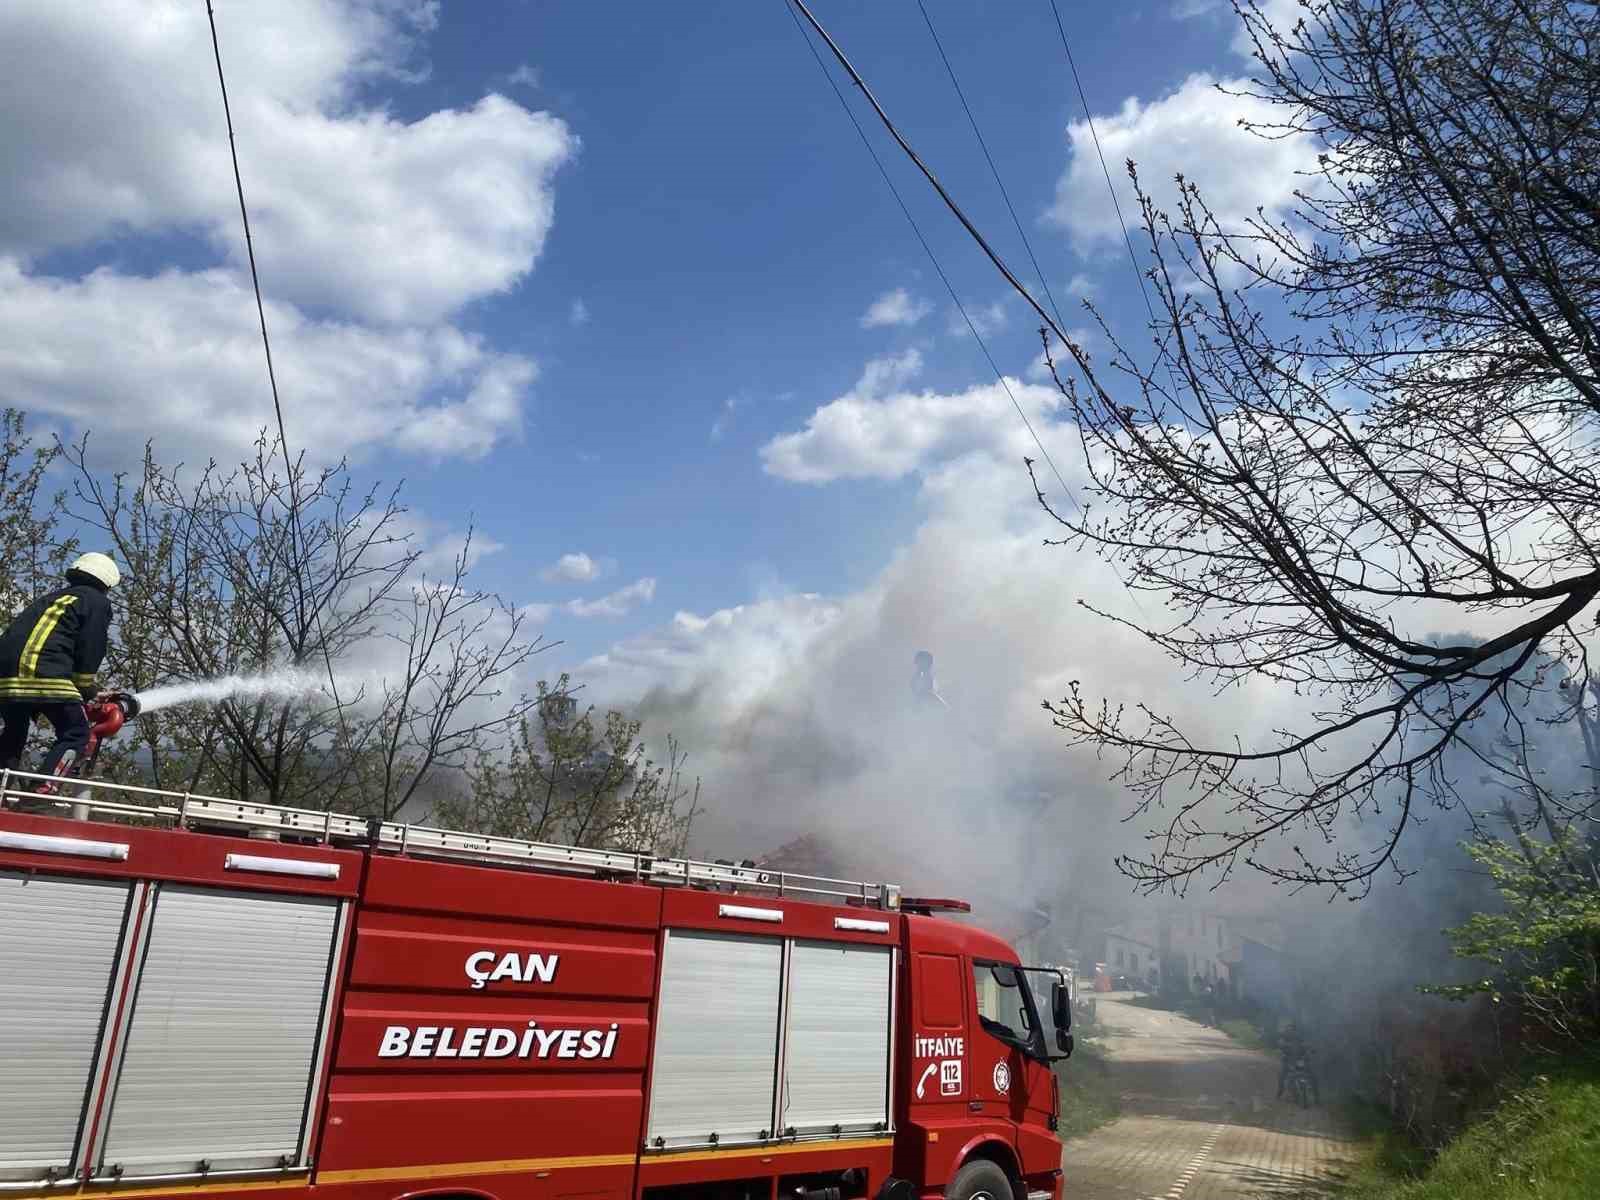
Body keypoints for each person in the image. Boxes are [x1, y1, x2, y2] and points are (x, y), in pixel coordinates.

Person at [0, 553, 120, 782]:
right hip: (43, 675)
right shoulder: (96, 601)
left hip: (5, 679)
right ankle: (40, 795)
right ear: (107, 583)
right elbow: (91, 646)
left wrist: (91, 692)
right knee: (77, 733)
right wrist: (85, 687)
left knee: (13, 735)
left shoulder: (54, 599)